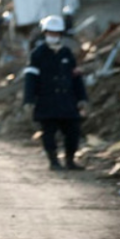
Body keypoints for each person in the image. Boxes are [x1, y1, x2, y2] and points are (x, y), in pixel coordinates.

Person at [23, 15, 88, 171]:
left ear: (61, 34)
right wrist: (29, 100)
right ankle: (53, 161)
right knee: (49, 133)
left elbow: (76, 78)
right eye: (50, 33)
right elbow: (30, 79)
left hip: (67, 101)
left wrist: (82, 98)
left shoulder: (67, 53)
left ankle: (70, 160)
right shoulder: (37, 54)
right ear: (45, 33)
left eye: (56, 33)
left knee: (73, 131)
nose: (53, 36)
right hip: (47, 101)